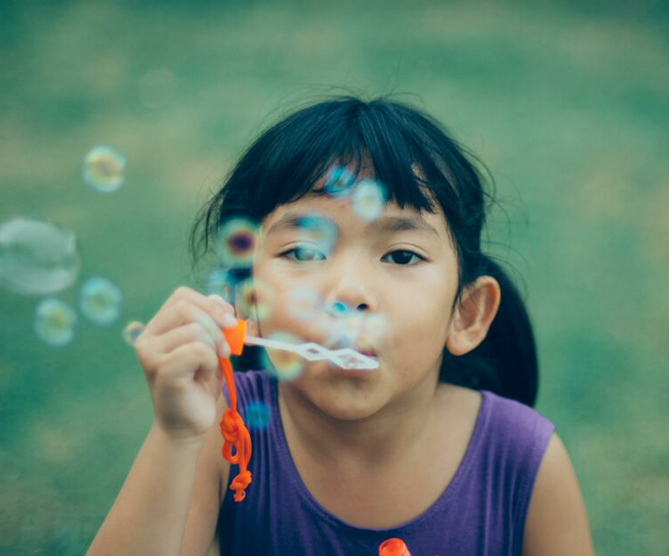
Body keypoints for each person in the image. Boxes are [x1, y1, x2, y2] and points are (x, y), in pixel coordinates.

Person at [87, 95, 594, 555]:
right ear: (246, 302)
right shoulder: (222, 437)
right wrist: (175, 436)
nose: (347, 291)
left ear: (466, 314)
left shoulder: (525, 462)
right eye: (304, 251)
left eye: (401, 254)